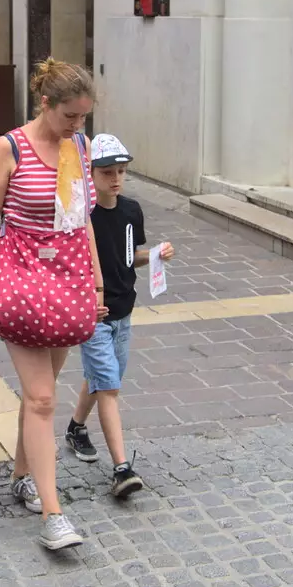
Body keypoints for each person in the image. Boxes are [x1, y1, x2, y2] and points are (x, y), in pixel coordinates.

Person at [0, 59, 105, 552]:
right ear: (45, 103)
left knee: (37, 395)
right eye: (70, 116)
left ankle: (23, 475)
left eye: (83, 118)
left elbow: (82, 220)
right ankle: (54, 515)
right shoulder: (9, 147)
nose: (77, 126)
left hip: (68, 278)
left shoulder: (81, 147)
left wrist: (97, 284)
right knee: (44, 397)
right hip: (22, 277)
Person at [63, 134, 175, 498]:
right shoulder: (83, 216)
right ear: (90, 173)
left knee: (101, 376)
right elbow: (72, 265)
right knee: (109, 385)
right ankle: (122, 468)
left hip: (125, 311)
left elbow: (131, 256)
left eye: (121, 171)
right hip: (94, 314)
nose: (116, 178)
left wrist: (155, 254)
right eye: (108, 171)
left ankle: (76, 427)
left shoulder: (131, 211)